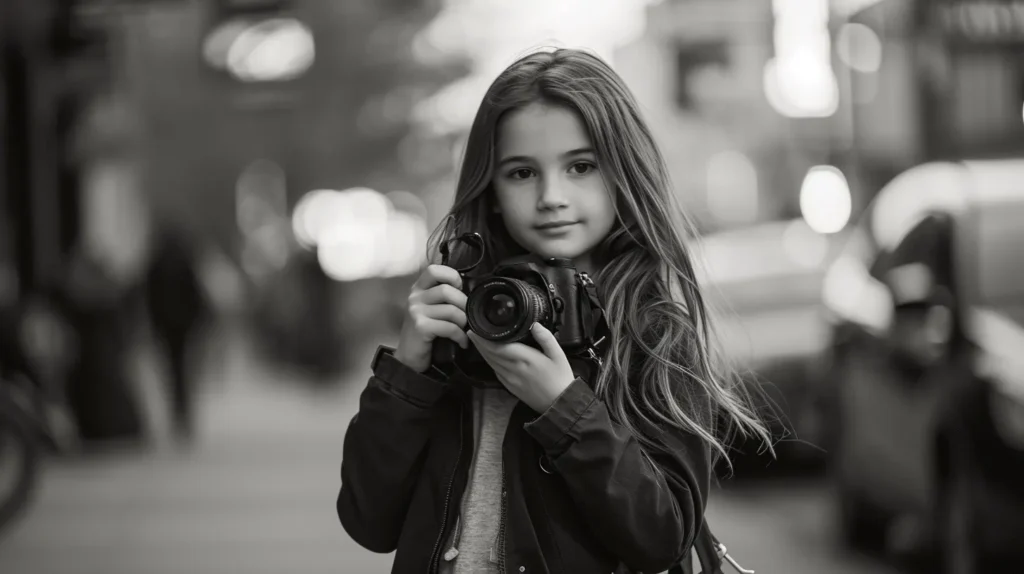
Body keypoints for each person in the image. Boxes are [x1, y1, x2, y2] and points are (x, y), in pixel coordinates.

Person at [336, 48, 772, 574]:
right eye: (521, 173)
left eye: (581, 166)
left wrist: (564, 410)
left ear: (623, 174)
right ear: (491, 190)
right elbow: (368, 521)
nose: (552, 196)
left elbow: (662, 538)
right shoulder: (464, 323)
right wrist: (406, 374)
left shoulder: (652, 332)